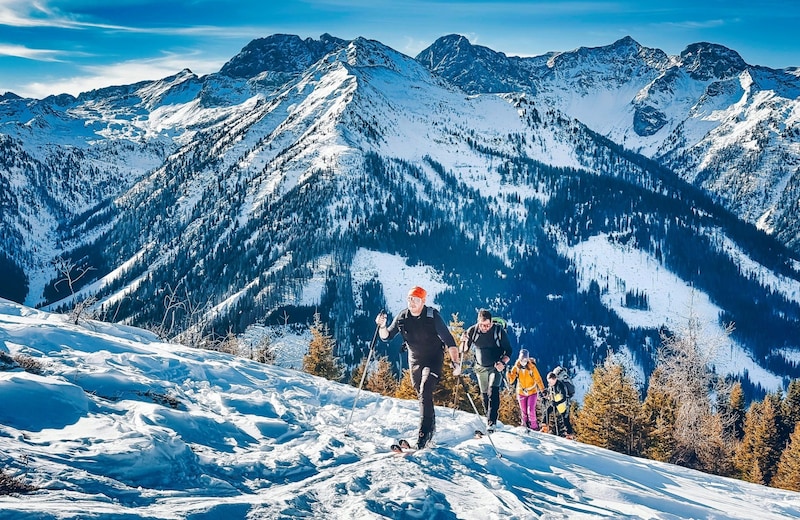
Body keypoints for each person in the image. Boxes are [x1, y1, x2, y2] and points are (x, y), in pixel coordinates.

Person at [376, 286, 459, 449]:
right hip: (415, 362)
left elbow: (449, 341)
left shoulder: (432, 316)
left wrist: (456, 362)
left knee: (426, 389)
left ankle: (422, 437)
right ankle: (430, 431)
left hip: (433, 360)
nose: (412, 302)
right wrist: (382, 326)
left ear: (423, 301)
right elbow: (386, 337)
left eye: (416, 299)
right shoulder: (403, 317)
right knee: (422, 395)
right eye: (409, 299)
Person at [461, 309, 511, 432]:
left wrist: (503, 362)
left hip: (495, 366)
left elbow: (509, 350)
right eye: (483, 325)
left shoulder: (498, 331)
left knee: (493, 391)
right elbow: (464, 350)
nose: (486, 328)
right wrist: (463, 342)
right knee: (484, 395)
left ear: (492, 323)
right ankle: (488, 417)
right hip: (480, 367)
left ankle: (491, 422)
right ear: (478, 322)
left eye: (488, 325)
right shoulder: (473, 331)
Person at [506, 349, 545, 430]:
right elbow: (511, 381)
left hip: (532, 392)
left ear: (527, 359)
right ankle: (524, 425)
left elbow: (538, 379)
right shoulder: (516, 367)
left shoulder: (532, 367)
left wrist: (543, 390)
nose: (523, 362)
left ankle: (534, 427)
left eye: (525, 360)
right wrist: (508, 374)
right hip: (521, 392)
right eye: (521, 360)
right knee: (523, 411)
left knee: (530, 410)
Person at [542, 371, 574, 438]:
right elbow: (550, 392)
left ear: (554, 379)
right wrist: (545, 394)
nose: (549, 383)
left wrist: (556, 403)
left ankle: (569, 435)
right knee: (547, 411)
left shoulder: (560, 386)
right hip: (556, 403)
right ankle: (544, 427)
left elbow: (564, 397)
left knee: (565, 419)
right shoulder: (552, 385)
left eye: (550, 381)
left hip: (563, 404)